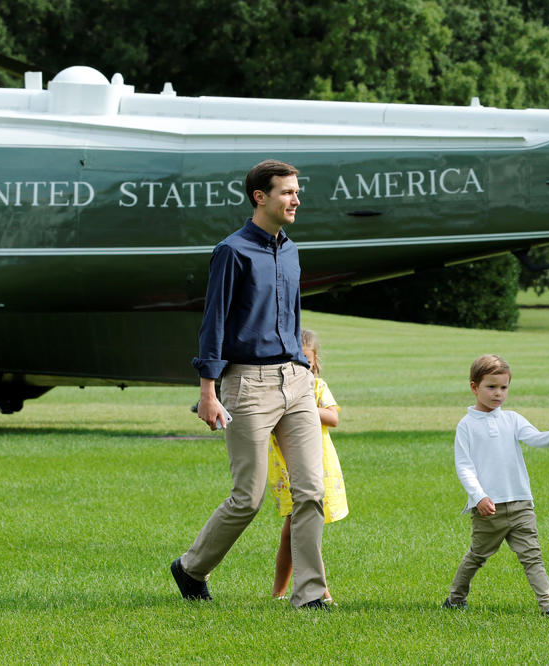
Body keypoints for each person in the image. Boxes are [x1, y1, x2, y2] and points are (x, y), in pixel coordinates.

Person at [170, 159, 329, 611]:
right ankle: (191, 568)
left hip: (296, 380)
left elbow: (294, 317)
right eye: (287, 192)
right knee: (249, 497)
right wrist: (208, 393)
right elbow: (213, 323)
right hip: (247, 385)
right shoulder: (232, 251)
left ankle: (310, 596)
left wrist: (303, 367)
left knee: (310, 492)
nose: (296, 200)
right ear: (260, 197)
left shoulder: (292, 250)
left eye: (297, 192)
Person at [443, 354, 549, 618]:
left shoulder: (513, 419)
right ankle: (455, 599)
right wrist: (479, 496)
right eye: (491, 387)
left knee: (532, 556)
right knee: (476, 556)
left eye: (503, 387)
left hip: (520, 504)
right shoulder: (467, 426)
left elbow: (537, 439)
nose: (498, 394)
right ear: (474, 387)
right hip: (488, 509)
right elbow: (465, 467)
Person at [269, 328, 347, 602]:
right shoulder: (275, 390)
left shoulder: (317, 387)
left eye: (306, 358)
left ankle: (314, 592)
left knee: (301, 529)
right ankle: (294, 592)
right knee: (295, 532)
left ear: (314, 360)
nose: (301, 363)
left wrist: (302, 409)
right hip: (286, 468)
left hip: (317, 463)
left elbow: (333, 417)